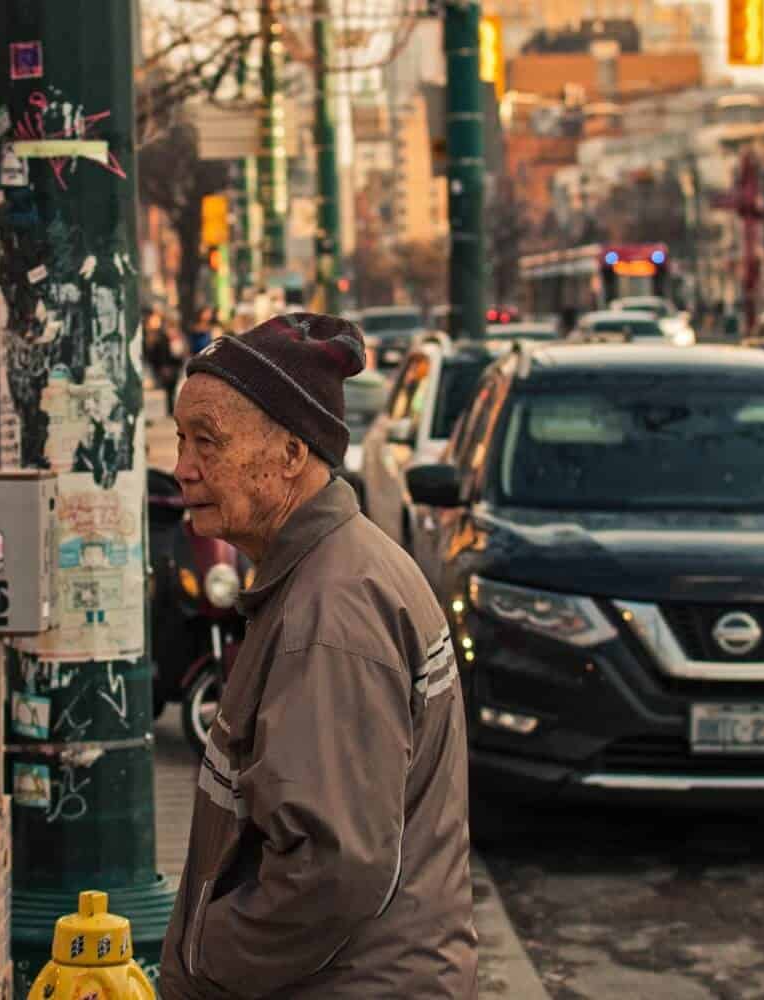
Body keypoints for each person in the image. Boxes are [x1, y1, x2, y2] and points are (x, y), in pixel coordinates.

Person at [160, 313, 477, 998]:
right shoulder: (323, 576)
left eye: (206, 442)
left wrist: (206, 955)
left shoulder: (331, 610)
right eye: (181, 439)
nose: (182, 468)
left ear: (293, 453)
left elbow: (331, 873)